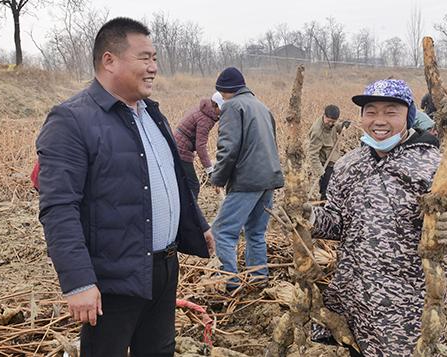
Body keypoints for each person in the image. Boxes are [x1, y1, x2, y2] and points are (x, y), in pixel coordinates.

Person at [36, 17, 214, 357]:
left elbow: (169, 177)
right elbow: (59, 208)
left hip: (163, 267)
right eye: (144, 58)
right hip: (113, 276)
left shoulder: (151, 114)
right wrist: (79, 282)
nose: (153, 68)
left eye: (155, 59)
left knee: (159, 350)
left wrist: (197, 222)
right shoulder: (72, 120)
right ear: (109, 60)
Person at [304, 79, 447, 356]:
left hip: (407, 307)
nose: (378, 121)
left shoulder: (434, 165)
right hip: (355, 297)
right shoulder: (349, 164)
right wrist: (310, 218)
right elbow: (338, 223)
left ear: (408, 115)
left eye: (390, 112)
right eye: (370, 111)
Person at [210, 67, 284, 291]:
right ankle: (258, 278)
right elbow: (272, 141)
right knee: (255, 232)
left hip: (247, 180)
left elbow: (228, 148)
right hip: (268, 179)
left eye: (221, 94)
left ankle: (230, 282)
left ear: (226, 91)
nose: (221, 99)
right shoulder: (262, 106)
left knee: (222, 231)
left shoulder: (232, 107)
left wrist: (217, 178)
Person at [174, 92, 224, 198]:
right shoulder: (206, 119)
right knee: (193, 185)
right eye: (221, 108)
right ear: (214, 105)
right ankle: (191, 213)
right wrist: (210, 170)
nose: (222, 111)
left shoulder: (205, 110)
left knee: (183, 184)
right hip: (182, 149)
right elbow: (200, 146)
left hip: (178, 145)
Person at [307, 104, 350, 200]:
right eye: (329, 121)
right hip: (325, 165)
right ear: (324, 116)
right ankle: (323, 206)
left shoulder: (331, 123)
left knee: (336, 188)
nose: (330, 124)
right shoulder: (317, 132)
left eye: (333, 122)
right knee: (325, 192)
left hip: (334, 159)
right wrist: (321, 172)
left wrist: (342, 126)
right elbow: (313, 155)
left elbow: (335, 128)